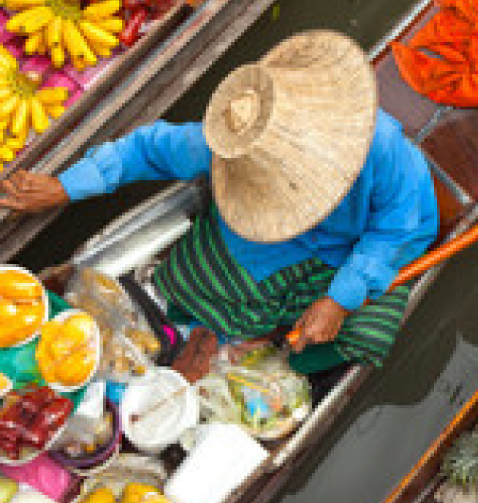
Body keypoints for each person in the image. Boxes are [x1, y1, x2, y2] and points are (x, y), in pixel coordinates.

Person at [0, 32, 436, 375]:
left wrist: (340, 299)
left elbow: (393, 232)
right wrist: (67, 186)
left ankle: (275, 338)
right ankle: (229, 331)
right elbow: (144, 149)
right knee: (192, 279)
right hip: (272, 236)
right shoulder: (232, 146)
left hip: (362, 246)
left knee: (361, 335)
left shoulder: (384, 154)